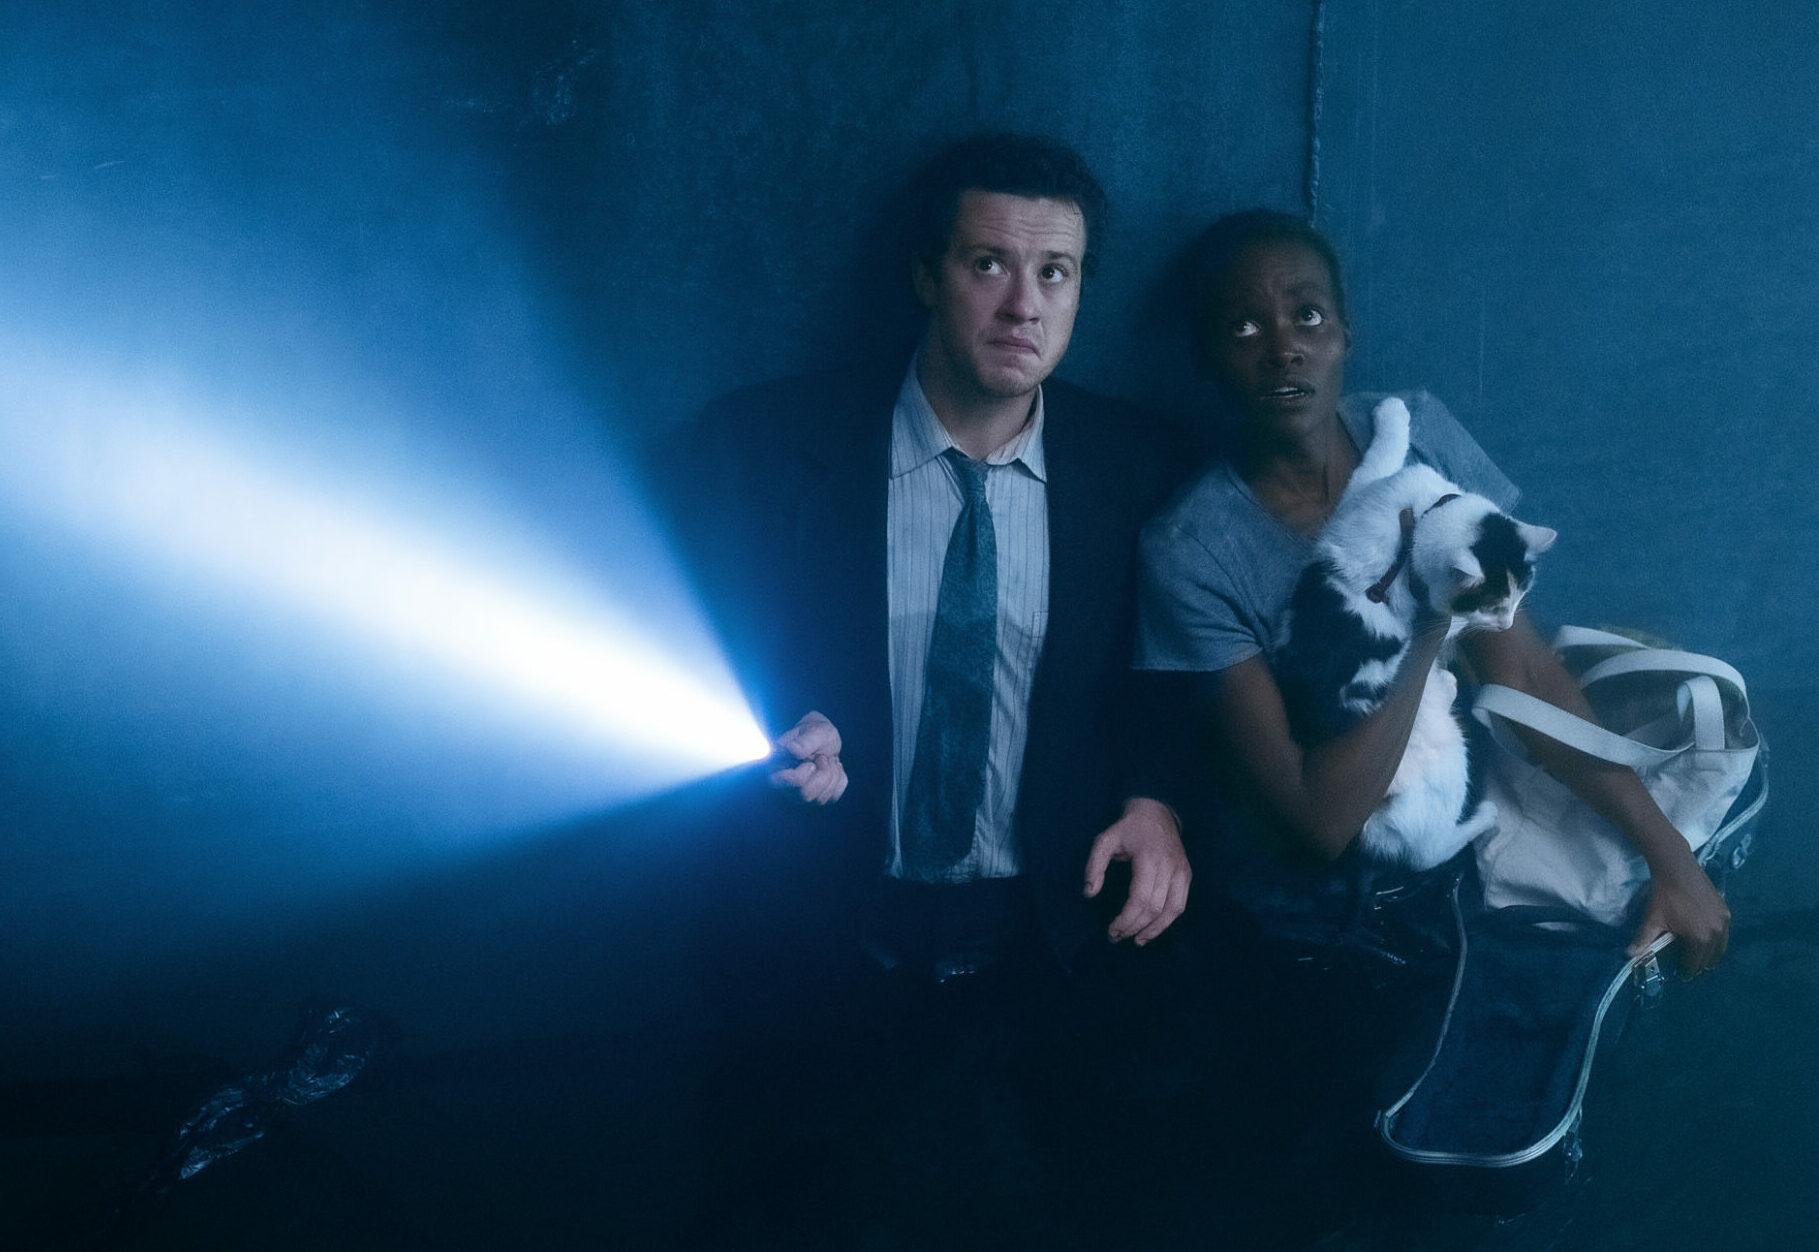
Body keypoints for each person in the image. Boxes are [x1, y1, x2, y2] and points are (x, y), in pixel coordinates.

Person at [1134, 208, 1733, 1235]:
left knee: (1462, 1186)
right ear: (1205, 358)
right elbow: (1315, 821)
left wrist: (1668, 856)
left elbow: (1523, 671)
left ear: (1345, 333)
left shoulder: (1414, 434)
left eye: (1306, 316)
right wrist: (1421, 619)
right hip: (1293, 948)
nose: (1281, 347)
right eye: (1241, 328)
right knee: (1310, 1200)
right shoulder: (1192, 545)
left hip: (1447, 903)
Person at [673, 133, 1203, 1244]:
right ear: (926, 274)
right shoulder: (762, 448)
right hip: (821, 944)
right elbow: (692, 643)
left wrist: (1153, 798)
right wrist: (767, 735)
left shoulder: (1139, 465)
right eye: (987, 264)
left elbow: (1162, 669)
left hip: (1045, 950)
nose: (1023, 305)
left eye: (1054, 272)